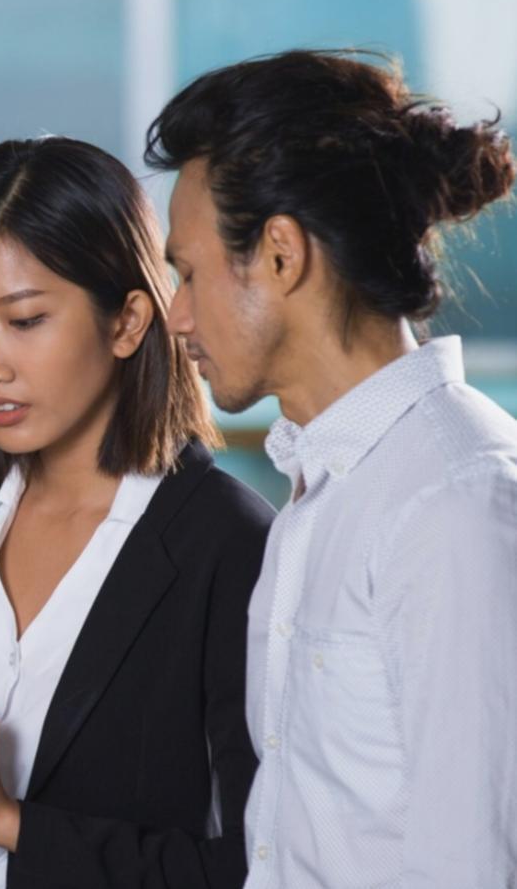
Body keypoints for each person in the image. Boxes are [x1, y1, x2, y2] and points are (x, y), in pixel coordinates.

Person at [145, 49, 517, 887]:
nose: (177, 313)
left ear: (281, 254)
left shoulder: (455, 503)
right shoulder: (319, 496)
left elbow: (476, 864)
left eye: (190, 271)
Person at [0, 137, 276, 888]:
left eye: (25, 321)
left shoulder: (229, 545)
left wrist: (8, 820)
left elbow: (249, 869)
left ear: (128, 321)